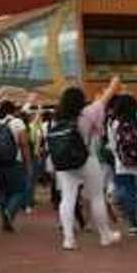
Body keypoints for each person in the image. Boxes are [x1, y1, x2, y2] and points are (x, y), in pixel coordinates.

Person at [51, 77, 122, 250]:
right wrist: (113, 83)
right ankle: (105, 235)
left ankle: (68, 239)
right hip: (87, 159)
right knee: (97, 197)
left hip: (64, 163)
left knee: (67, 198)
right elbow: (106, 97)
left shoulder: (56, 118)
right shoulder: (89, 112)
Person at [108, 94, 137, 237]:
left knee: (129, 191)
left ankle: (133, 224)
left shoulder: (113, 123)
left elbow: (112, 145)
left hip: (123, 163)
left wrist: (120, 157)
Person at [0, 95, 33, 232]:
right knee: (20, 190)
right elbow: (24, 145)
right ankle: (9, 212)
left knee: (4, 191)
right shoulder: (17, 123)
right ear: (12, 111)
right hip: (14, 162)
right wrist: (28, 164)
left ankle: (5, 219)